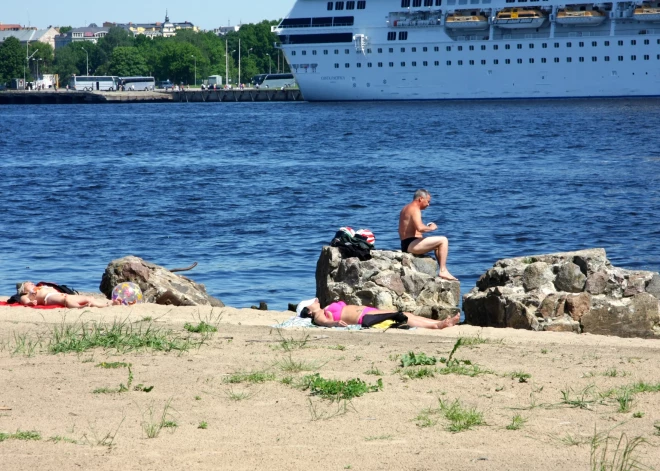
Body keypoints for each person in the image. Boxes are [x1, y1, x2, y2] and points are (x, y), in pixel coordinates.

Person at [398, 188, 457, 281]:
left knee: (438, 246)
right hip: (410, 244)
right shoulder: (414, 209)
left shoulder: (406, 208)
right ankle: (443, 270)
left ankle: (442, 269)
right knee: (443, 240)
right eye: (428, 201)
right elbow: (420, 228)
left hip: (406, 243)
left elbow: (415, 228)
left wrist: (426, 227)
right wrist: (431, 228)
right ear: (421, 199)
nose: (428, 204)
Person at [296, 298, 460, 330]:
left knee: (405, 313)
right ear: (308, 310)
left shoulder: (323, 309)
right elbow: (324, 323)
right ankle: (437, 325)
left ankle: (436, 322)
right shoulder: (317, 316)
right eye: (312, 301)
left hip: (368, 312)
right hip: (364, 318)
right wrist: (334, 323)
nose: (316, 299)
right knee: (401, 316)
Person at [16, 281, 118, 308]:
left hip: (60, 294)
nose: (31, 283)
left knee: (89, 298)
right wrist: (31, 303)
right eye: (28, 284)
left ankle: (108, 305)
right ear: (24, 290)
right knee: (66, 300)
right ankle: (80, 307)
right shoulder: (26, 295)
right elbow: (25, 301)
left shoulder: (41, 287)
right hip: (48, 298)